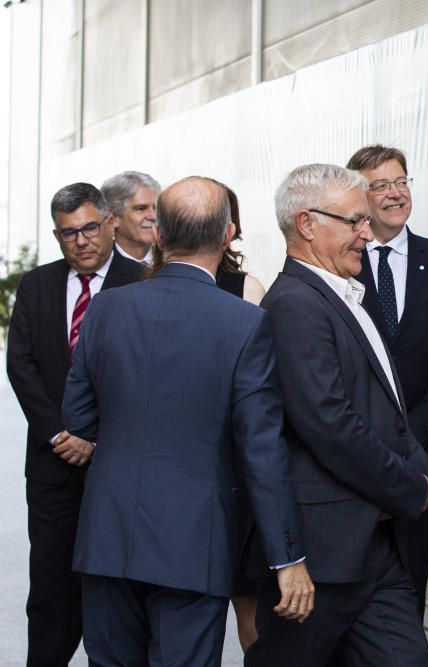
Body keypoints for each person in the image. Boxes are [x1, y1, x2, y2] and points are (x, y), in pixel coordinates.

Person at [61, 176, 314, 665]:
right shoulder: (244, 322)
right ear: (227, 235)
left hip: (107, 538)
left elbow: (78, 417)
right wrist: (288, 557)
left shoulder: (106, 309)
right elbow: (262, 449)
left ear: (158, 234)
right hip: (193, 544)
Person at [245, 163, 428, 666]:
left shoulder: (344, 294)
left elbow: (388, 407)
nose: (368, 235)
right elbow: (328, 424)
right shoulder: (294, 305)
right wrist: (408, 484)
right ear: (308, 224)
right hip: (323, 555)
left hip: (376, 545)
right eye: (355, 222)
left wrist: (417, 462)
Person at [6, 182, 145, 666]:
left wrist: (95, 437)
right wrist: (60, 434)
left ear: (110, 223)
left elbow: (145, 374)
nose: (81, 240)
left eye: (89, 227)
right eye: (69, 233)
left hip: (119, 466)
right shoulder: (37, 285)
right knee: (50, 589)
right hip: (51, 466)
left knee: (118, 589)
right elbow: (20, 365)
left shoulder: (143, 282)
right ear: (57, 235)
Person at [347, 144, 428, 617]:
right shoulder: (343, 267)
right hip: (354, 459)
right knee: (351, 597)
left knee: (409, 592)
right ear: (358, 197)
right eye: (379, 185)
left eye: (401, 181)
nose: (394, 194)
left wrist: (410, 439)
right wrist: (375, 444)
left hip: (425, 457)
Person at [149, 182, 267, 652]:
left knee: (247, 602)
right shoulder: (146, 291)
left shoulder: (247, 290)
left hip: (234, 473)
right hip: (174, 473)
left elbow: (257, 387)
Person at [101, 170, 161, 264]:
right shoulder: (99, 264)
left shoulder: (173, 259)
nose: (153, 216)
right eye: (141, 209)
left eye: (156, 208)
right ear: (114, 218)